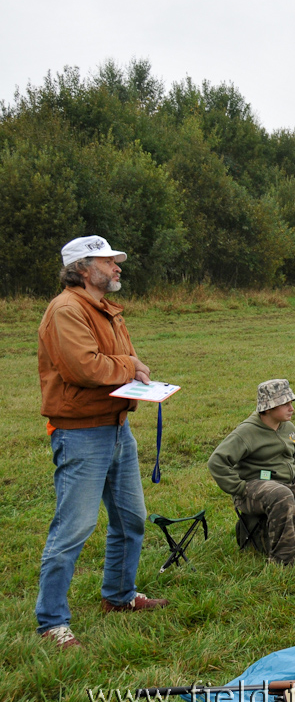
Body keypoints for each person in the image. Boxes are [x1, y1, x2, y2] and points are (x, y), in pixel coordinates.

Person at [35, 236, 167, 649]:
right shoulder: (66, 310)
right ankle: (51, 621)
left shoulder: (105, 309)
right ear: (82, 268)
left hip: (115, 427)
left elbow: (115, 363)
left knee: (132, 519)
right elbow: (85, 368)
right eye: (109, 262)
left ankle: (120, 597)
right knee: (73, 528)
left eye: (116, 262)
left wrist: (135, 375)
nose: (117, 268)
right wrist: (131, 366)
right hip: (79, 433)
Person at [208, 380, 295, 565]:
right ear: (268, 408)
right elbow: (217, 462)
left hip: (290, 481)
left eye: (292, 403)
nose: (292, 409)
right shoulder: (245, 433)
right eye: (286, 404)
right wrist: (239, 488)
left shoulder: (288, 428)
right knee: (282, 495)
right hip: (253, 488)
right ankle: (282, 562)